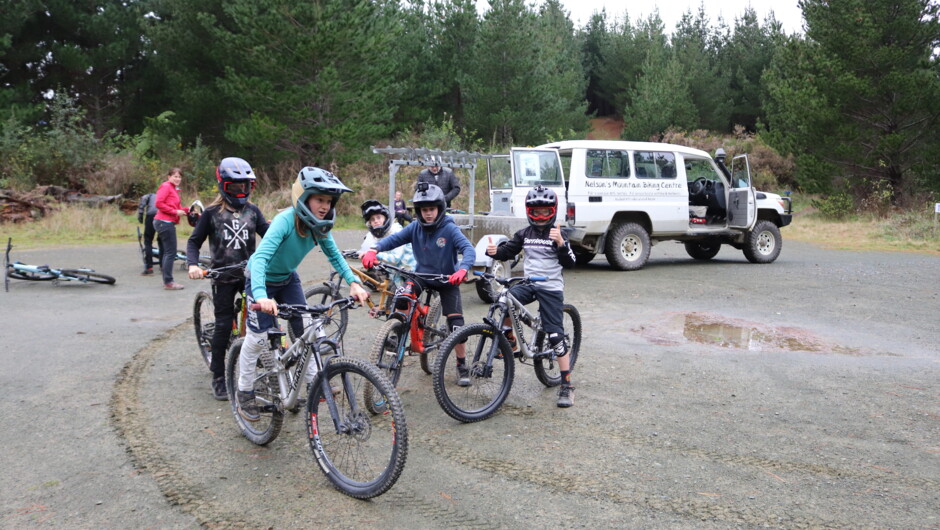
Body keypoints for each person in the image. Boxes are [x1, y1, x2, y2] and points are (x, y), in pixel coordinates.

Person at [235, 167, 369, 422]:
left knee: (306, 329)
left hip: (287, 279)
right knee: (258, 338)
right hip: (260, 280)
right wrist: (261, 296)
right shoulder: (285, 221)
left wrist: (354, 282)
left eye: (329, 201)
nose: (325, 206)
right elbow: (260, 259)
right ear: (303, 197)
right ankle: (244, 391)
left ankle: (314, 381)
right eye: (319, 199)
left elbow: (335, 255)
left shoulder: (319, 227)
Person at [361, 183, 475, 385]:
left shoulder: (449, 228)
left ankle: (461, 364)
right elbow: (393, 240)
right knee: (401, 298)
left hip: (447, 279)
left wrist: (463, 269)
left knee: (457, 326)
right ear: (419, 211)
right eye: (424, 209)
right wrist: (374, 249)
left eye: (432, 209)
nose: (428, 213)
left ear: (439, 208)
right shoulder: (415, 227)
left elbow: (468, 249)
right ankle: (397, 334)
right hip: (421, 275)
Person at [485, 185, 577, 407]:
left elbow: (571, 262)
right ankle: (509, 340)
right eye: (536, 211)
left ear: (553, 211)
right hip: (529, 284)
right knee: (505, 298)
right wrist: (495, 252)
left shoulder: (558, 233)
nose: (541, 216)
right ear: (529, 211)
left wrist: (561, 244)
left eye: (545, 211)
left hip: (551, 288)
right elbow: (508, 251)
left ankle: (567, 386)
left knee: (555, 337)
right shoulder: (524, 234)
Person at [186, 157, 269, 401]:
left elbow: (269, 236)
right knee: (223, 326)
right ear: (223, 186)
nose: (240, 191)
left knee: (263, 318)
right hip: (222, 276)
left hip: (249, 275)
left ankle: (261, 363)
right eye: (234, 186)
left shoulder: (253, 211)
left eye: (244, 186)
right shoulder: (211, 214)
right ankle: (219, 376)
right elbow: (194, 242)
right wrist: (193, 264)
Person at [357, 199, 416, 289]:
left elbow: (395, 258)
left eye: (378, 217)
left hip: (410, 272)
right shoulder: (371, 236)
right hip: (395, 274)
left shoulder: (396, 230)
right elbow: (365, 249)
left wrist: (375, 254)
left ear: (385, 218)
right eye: (372, 219)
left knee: (402, 295)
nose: (376, 221)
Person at [154, 168, 188, 290]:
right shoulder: (166, 186)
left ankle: (167, 280)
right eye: (175, 176)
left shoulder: (173, 189)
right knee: (170, 253)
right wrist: (174, 212)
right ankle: (168, 282)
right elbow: (158, 203)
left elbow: (178, 208)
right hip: (164, 222)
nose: (177, 179)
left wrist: (188, 210)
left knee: (167, 252)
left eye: (179, 177)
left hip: (166, 222)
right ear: (169, 177)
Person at [137, 192, 158, 275]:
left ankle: (149, 267)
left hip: (151, 216)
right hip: (163, 216)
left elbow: (142, 203)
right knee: (162, 241)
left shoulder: (149, 195)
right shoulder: (165, 195)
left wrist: (140, 214)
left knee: (148, 241)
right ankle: (163, 266)